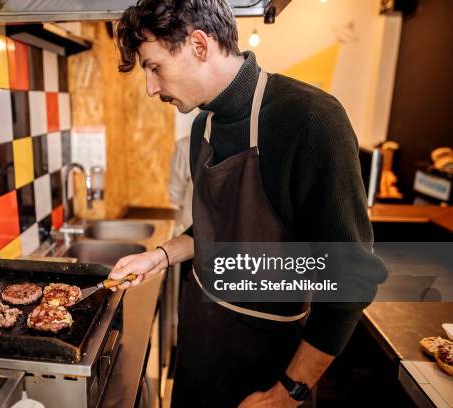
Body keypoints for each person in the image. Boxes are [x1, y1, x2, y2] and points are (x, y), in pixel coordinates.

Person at [109, 1, 388, 407]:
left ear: (199, 45)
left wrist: (289, 391)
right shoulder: (204, 124)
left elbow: (352, 280)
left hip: (269, 368)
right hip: (199, 347)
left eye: (154, 67)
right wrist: (161, 257)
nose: (151, 88)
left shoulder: (310, 120)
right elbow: (214, 228)